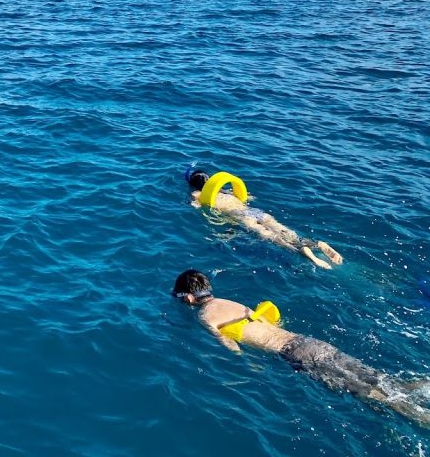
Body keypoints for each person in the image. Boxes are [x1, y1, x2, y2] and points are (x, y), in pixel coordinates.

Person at [172, 269, 430, 428]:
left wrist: (245, 366)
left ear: (190, 298)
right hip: (307, 342)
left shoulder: (205, 316)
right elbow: (272, 320)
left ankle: (422, 418)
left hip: (294, 355)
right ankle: (419, 386)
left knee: (371, 394)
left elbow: (228, 344)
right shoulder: (232, 302)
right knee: (376, 379)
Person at [186, 168, 342, 269]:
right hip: (255, 211)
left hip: (241, 217)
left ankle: (300, 251)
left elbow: (196, 205)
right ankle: (315, 244)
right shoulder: (225, 190)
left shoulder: (197, 194)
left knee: (272, 237)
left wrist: (195, 204)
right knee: (284, 231)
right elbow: (249, 197)